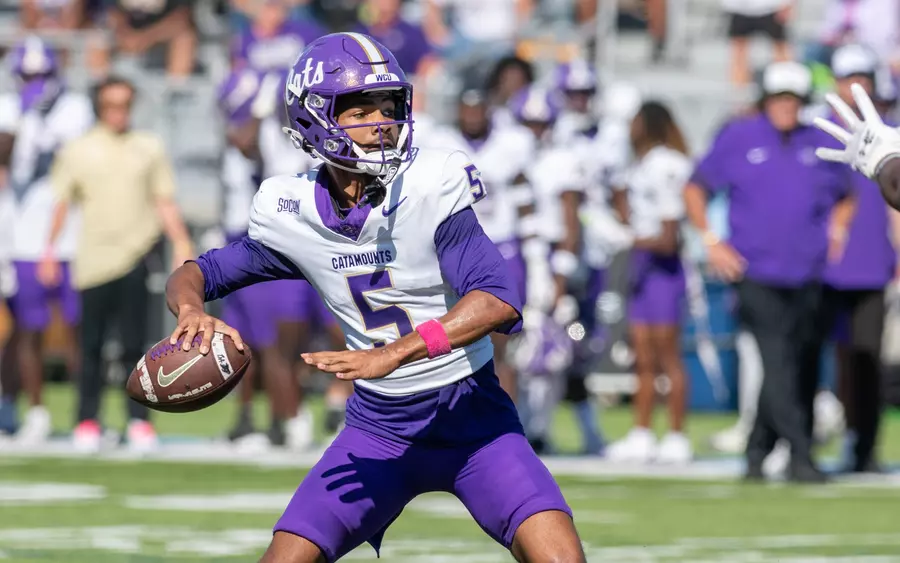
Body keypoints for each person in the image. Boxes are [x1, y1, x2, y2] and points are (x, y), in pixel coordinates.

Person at [165, 32, 583, 563]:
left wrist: (395, 352)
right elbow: (196, 272)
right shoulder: (288, 209)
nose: (382, 120)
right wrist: (191, 311)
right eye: (360, 109)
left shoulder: (431, 182)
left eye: (388, 105)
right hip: (378, 432)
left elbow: (499, 297)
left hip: (474, 420)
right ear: (314, 117)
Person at [683, 61, 856, 483]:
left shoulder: (817, 141)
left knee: (794, 360)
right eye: (779, 98)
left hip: (807, 272)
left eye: (793, 99)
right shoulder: (740, 137)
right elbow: (695, 188)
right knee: (778, 360)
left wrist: (838, 231)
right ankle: (801, 454)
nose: (786, 107)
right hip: (754, 271)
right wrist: (712, 242)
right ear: (766, 100)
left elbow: (847, 192)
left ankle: (757, 452)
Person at [42, 76, 194, 452]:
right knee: (89, 347)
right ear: (98, 107)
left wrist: (181, 242)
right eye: (111, 105)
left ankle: (139, 421)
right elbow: (61, 204)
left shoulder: (147, 147)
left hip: (136, 257)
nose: (118, 113)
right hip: (93, 260)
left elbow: (163, 200)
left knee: (134, 347)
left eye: (124, 105)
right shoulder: (78, 150)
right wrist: (48, 251)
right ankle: (87, 420)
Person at [0, 37, 91, 445]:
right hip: (24, 235)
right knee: (28, 329)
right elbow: (4, 158)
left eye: (41, 75)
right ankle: (33, 409)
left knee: (78, 330)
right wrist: (21, 120)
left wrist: (42, 118)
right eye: (28, 75)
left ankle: (83, 414)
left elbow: (72, 158)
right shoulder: (9, 106)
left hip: (73, 231)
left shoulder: (74, 108)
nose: (35, 82)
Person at [816, 45, 897, 474]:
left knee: (866, 359)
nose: (857, 85)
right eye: (849, 77)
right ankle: (803, 441)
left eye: (863, 76)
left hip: (870, 264)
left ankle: (863, 446)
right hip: (819, 268)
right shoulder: (819, 130)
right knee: (816, 358)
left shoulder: (891, 133)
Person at [607, 101, 693, 464]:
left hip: (664, 267)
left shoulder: (667, 164)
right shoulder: (639, 165)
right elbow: (628, 213)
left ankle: (676, 435)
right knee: (642, 356)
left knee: (666, 354)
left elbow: (670, 236)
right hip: (643, 267)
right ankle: (641, 431)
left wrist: (630, 240)